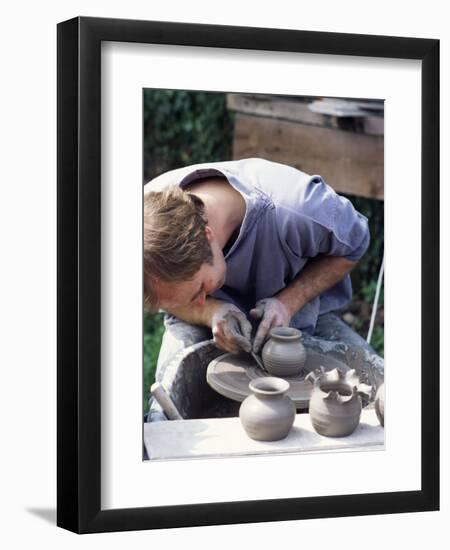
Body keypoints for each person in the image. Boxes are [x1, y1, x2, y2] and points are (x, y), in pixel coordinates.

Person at [144, 158, 376, 420]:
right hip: (199, 325)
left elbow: (355, 244)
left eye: (200, 289)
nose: (199, 300)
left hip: (303, 313)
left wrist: (289, 301)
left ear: (207, 237)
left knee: (379, 393)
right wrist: (209, 312)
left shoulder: (298, 207)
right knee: (164, 412)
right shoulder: (144, 223)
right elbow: (174, 300)